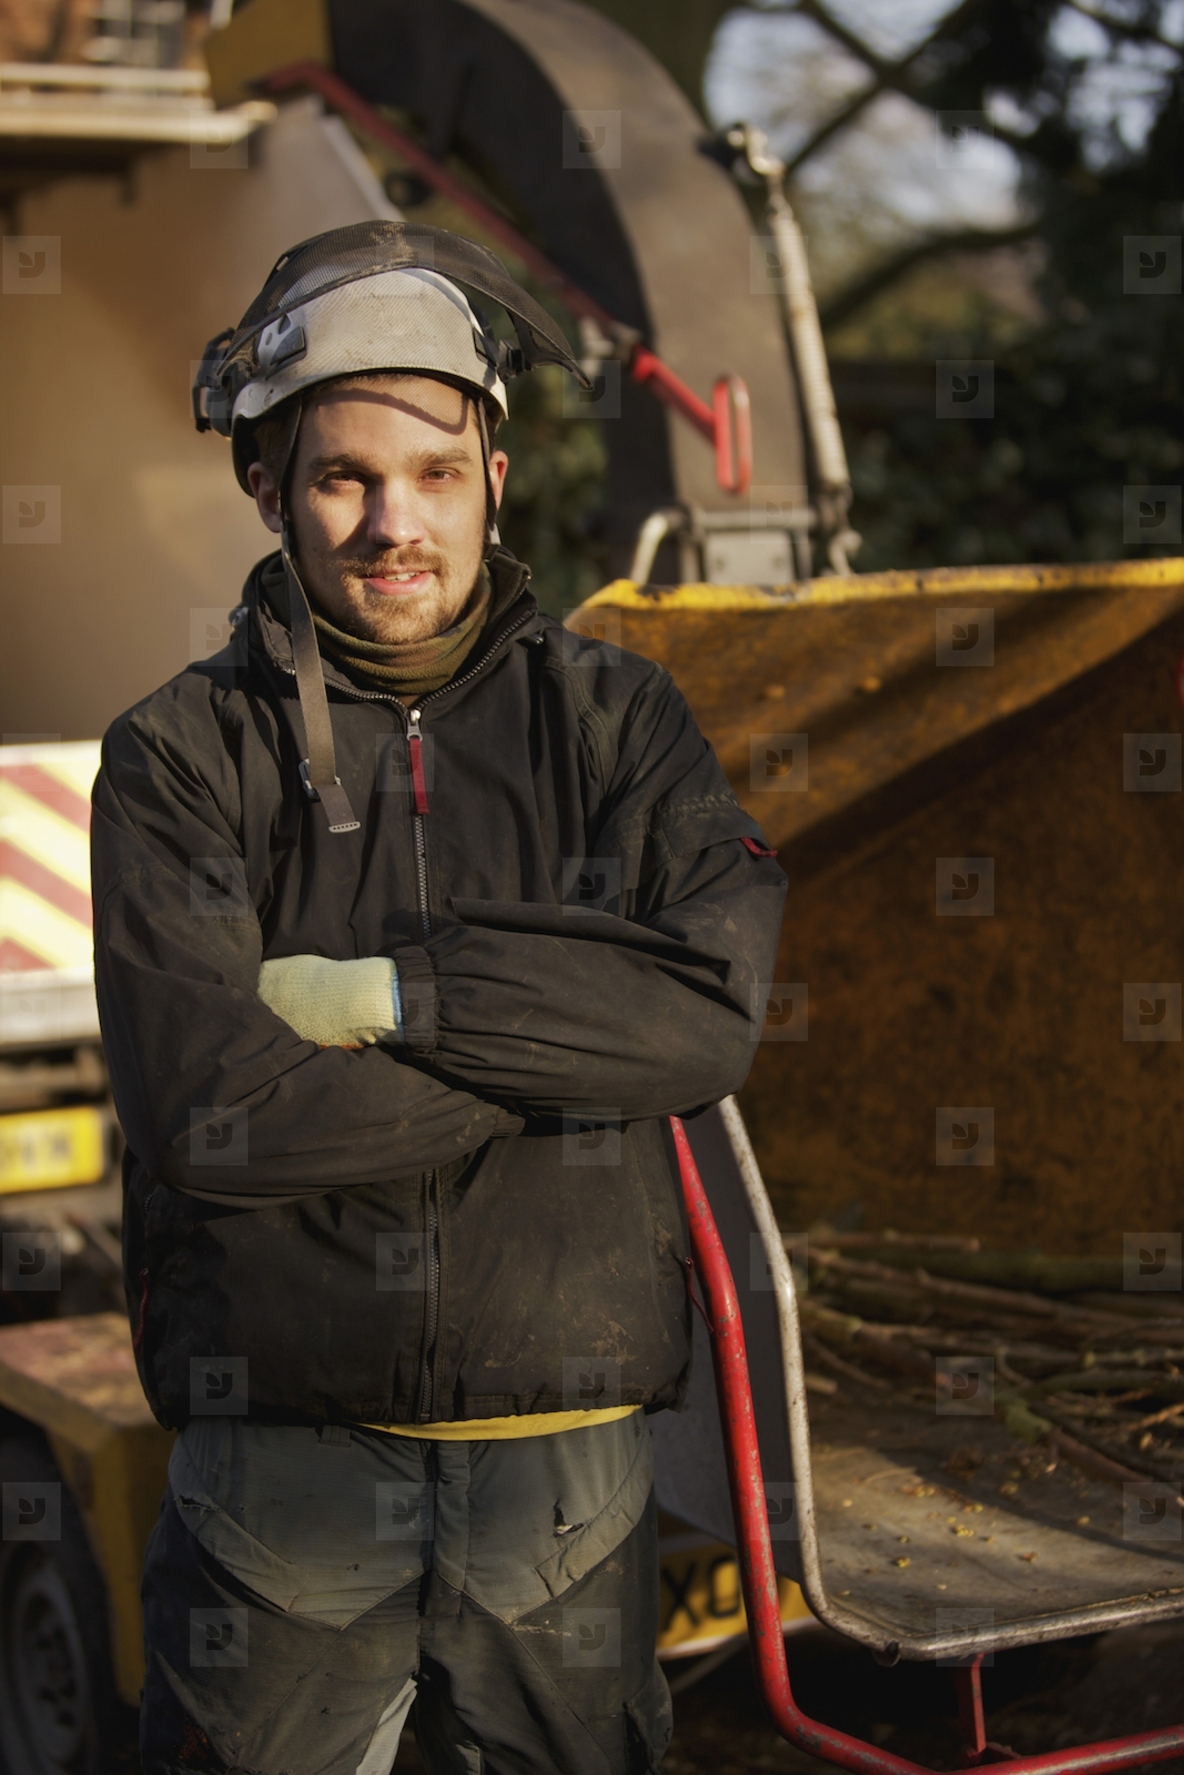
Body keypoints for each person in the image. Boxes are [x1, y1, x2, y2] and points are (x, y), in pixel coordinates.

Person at [92, 220, 786, 1775]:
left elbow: (706, 1023)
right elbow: (212, 1114)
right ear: (264, 488)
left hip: (567, 1489)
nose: (390, 522)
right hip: (286, 1481)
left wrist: (384, 997)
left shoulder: (618, 721)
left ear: (493, 474)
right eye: (341, 477)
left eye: (434, 473)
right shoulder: (178, 758)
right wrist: (572, 1041)